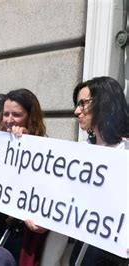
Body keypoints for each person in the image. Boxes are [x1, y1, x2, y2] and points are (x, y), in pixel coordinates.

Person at [69, 76, 129, 265]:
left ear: (104, 102)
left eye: (83, 103)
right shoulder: (78, 150)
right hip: (81, 250)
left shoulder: (125, 153)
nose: (76, 111)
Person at [0, 88, 47, 265]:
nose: (9, 120)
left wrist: (28, 146)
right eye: (6, 114)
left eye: (16, 115)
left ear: (30, 116)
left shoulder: (45, 149)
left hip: (21, 233)